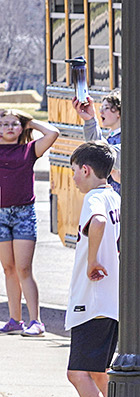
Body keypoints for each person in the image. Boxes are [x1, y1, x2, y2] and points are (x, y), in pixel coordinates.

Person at [63, 141, 120, 397]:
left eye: (73, 171)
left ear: (85, 170)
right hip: (111, 300)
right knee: (99, 372)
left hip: (94, 300)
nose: (72, 178)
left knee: (77, 373)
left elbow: (97, 222)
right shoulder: (116, 197)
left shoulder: (94, 200)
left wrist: (93, 260)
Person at [1, 108, 63, 335]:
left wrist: (31, 123)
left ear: (22, 127)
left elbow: (53, 133)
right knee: (8, 269)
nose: (9, 127)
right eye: (4, 124)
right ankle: (14, 320)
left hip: (23, 214)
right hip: (0, 215)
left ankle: (35, 321)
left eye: (14, 124)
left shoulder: (28, 150)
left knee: (23, 268)